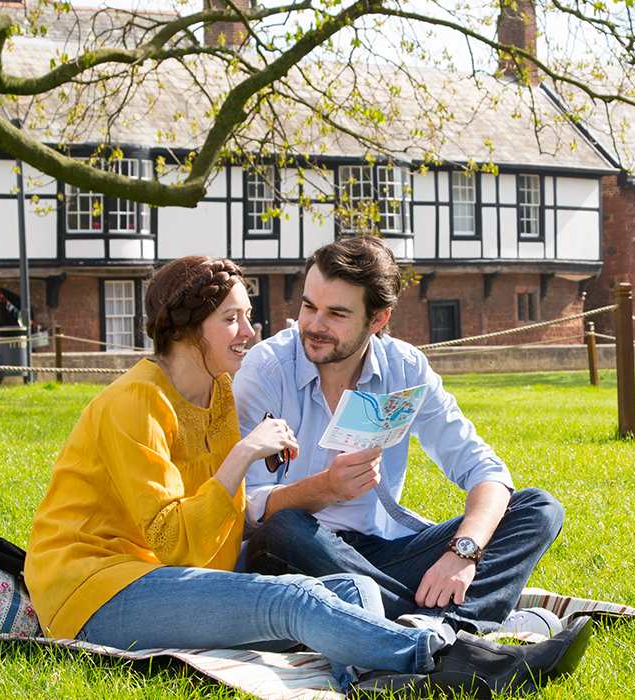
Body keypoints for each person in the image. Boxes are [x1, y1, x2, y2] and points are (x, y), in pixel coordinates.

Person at [24, 255, 591, 695]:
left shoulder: (220, 391)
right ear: (186, 328)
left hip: (184, 574)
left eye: (248, 316)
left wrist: (463, 551)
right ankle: (461, 661)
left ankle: (368, 679)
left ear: (378, 319)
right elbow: (175, 540)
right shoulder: (136, 403)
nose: (252, 331)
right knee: (294, 593)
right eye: (232, 319)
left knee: (354, 590)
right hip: (99, 587)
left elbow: (205, 540)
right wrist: (247, 460)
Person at [235, 237, 566, 637]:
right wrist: (323, 489)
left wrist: (463, 553)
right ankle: (452, 627)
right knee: (284, 528)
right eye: (308, 306)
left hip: (381, 552)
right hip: (298, 550)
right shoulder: (267, 368)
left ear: (377, 320)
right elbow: (245, 506)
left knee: (538, 508)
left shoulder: (405, 368)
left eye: (336, 313)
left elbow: (484, 470)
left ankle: (430, 630)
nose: (314, 325)